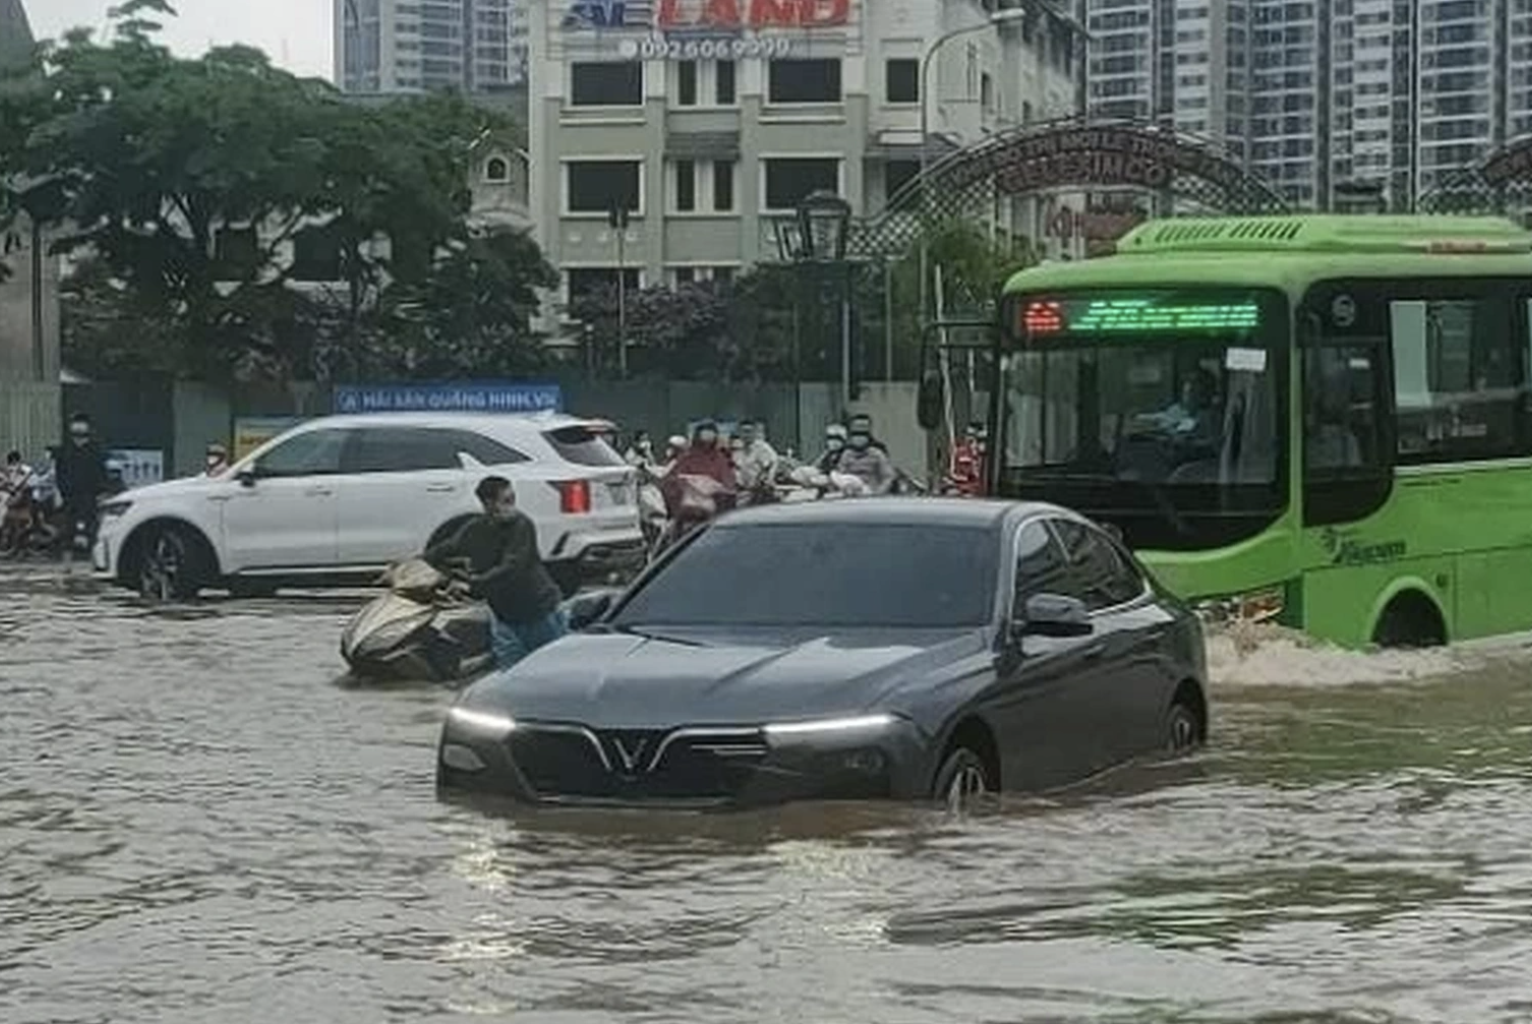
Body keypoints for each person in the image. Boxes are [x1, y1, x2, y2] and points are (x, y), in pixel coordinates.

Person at [423, 475, 567, 671]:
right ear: (488, 503)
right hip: (503, 616)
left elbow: (512, 567)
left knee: (553, 668)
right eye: (506, 501)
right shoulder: (475, 529)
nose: (511, 506)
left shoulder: (522, 525)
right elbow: (441, 551)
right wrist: (421, 570)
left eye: (512, 500)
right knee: (510, 673)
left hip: (538, 610)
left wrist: (472, 584)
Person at [660, 419, 738, 531]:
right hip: (689, 515)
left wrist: (716, 490)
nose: (707, 439)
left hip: (715, 517)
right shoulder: (687, 458)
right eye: (704, 433)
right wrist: (688, 487)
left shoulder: (720, 459)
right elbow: (670, 483)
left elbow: (729, 485)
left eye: (710, 433)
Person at [56, 413, 109, 552]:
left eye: (82, 433)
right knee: (68, 531)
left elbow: (101, 473)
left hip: (90, 495)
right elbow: (59, 474)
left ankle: (92, 563)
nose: (79, 438)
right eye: (75, 433)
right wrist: (61, 492)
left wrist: (101, 492)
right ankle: (67, 566)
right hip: (70, 496)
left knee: (91, 529)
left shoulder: (96, 450)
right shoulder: (65, 450)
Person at [837, 425, 896, 495]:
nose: (859, 439)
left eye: (862, 436)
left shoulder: (877, 454)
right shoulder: (846, 455)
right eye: (856, 436)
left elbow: (888, 476)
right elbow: (840, 475)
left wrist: (879, 492)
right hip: (851, 493)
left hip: (872, 492)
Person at [733, 419, 780, 496]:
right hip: (744, 490)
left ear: (754, 433)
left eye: (749, 432)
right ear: (739, 433)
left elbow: (771, 465)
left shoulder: (762, 448)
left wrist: (768, 480)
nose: (746, 435)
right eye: (743, 432)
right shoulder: (736, 451)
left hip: (761, 491)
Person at [947, 422, 988, 497]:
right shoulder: (959, 453)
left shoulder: (994, 455)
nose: (974, 444)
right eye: (970, 439)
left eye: (980, 440)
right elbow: (953, 476)